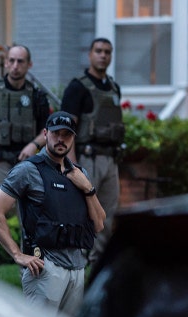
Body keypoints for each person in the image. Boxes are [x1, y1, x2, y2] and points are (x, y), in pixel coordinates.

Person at [0, 111, 105, 316]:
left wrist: (88, 188)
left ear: (73, 139)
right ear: (45, 134)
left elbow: (99, 224)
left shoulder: (80, 174)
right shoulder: (27, 170)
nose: (60, 139)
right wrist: (17, 254)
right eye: (55, 133)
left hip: (77, 270)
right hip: (45, 269)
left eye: (66, 135)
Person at [0, 45, 50, 277]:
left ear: (29, 65)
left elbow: (47, 131)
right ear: (5, 63)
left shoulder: (37, 96)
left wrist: (33, 145)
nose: (15, 66)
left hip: (28, 166)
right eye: (11, 61)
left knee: (31, 223)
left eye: (20, 61)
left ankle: (32, 272)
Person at [60, 38, 123, 266]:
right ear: (90, 54)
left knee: (106, 217)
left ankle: (98, 269)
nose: (103, 55)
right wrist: (72, 167)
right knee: (84, 214)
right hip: (88, 158)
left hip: (110, 160)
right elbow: (67, 131)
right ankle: (77, 264)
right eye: (99, 51)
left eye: (107, 52)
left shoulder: (114, 88)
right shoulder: (78, 87)